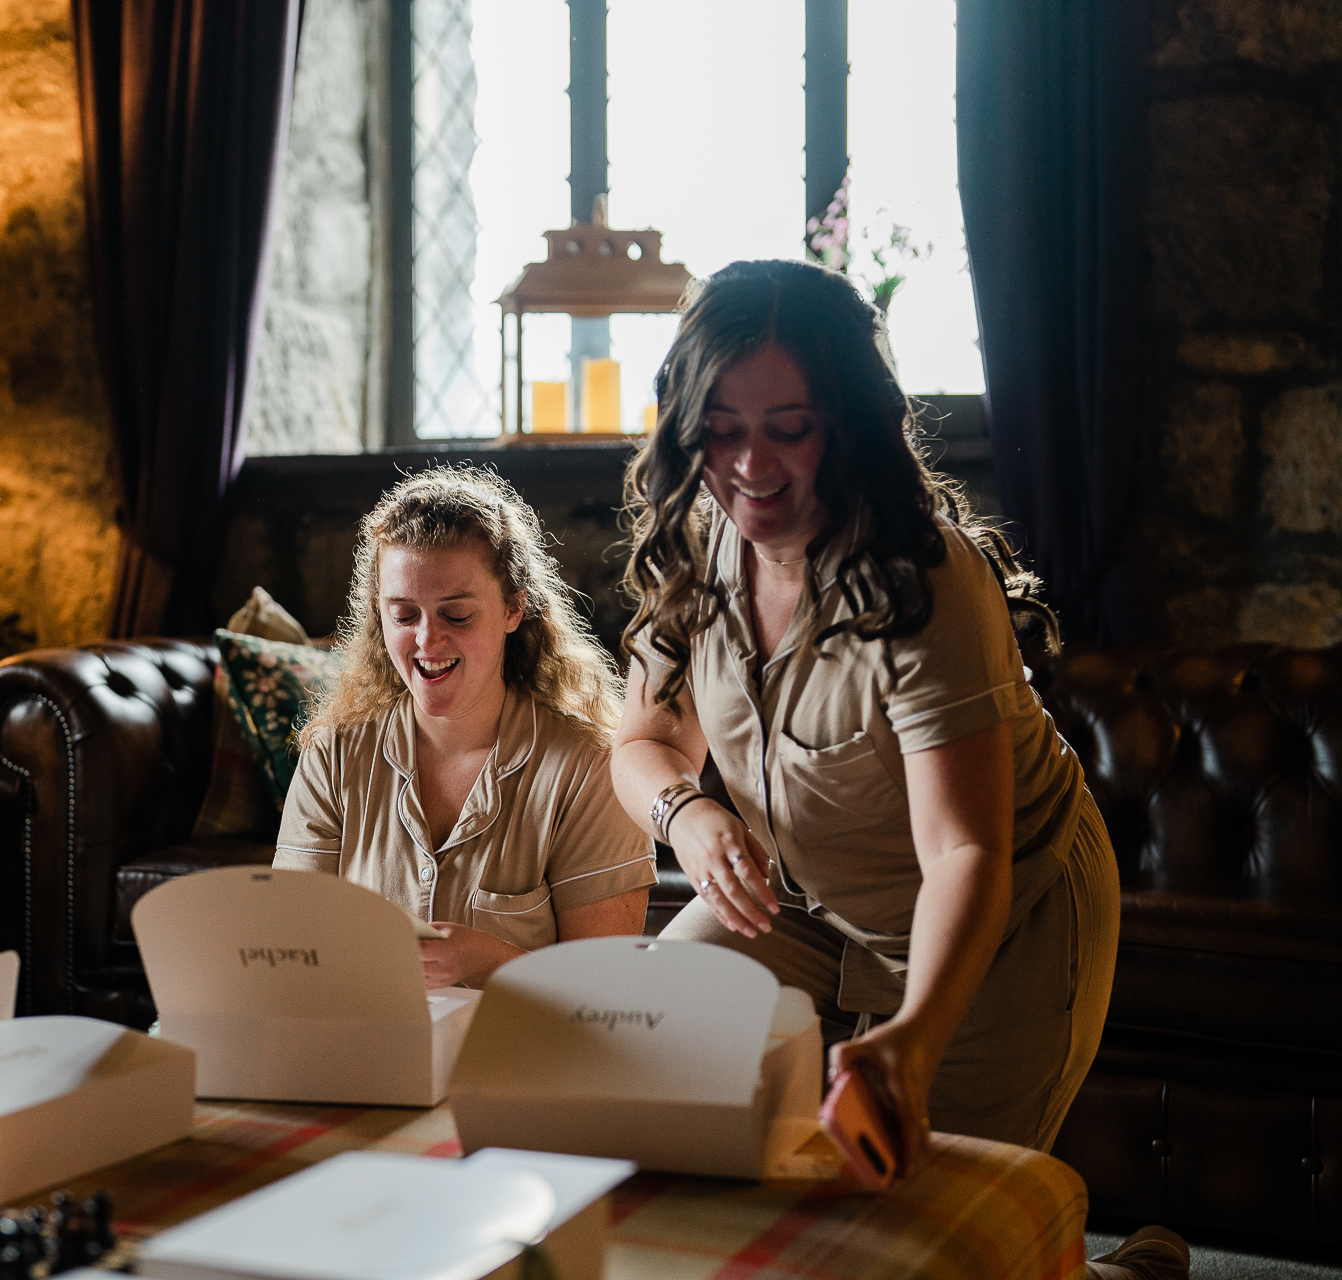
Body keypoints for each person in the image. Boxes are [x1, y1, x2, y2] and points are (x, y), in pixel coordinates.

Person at [610, 260, 1185, 1278]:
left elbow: (965, 845)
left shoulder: (922, 577)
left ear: (852, 421)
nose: (750, 465)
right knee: (641, 1068)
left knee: (932, 1232)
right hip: (801, 908)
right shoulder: (696, 545)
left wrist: (913, 1038)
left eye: (789, 426)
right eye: (721, 429)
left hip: (1003, 913)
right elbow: (642, 741)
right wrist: (688, 816)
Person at [274, 466, 657, 989]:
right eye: (404, 615)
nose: (428, 642)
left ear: (513, 609)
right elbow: (291, 955)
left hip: (524, 1060)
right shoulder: (333, 755)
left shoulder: (589, 769)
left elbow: (608, 993)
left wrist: (493, 963)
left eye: (456, 616)